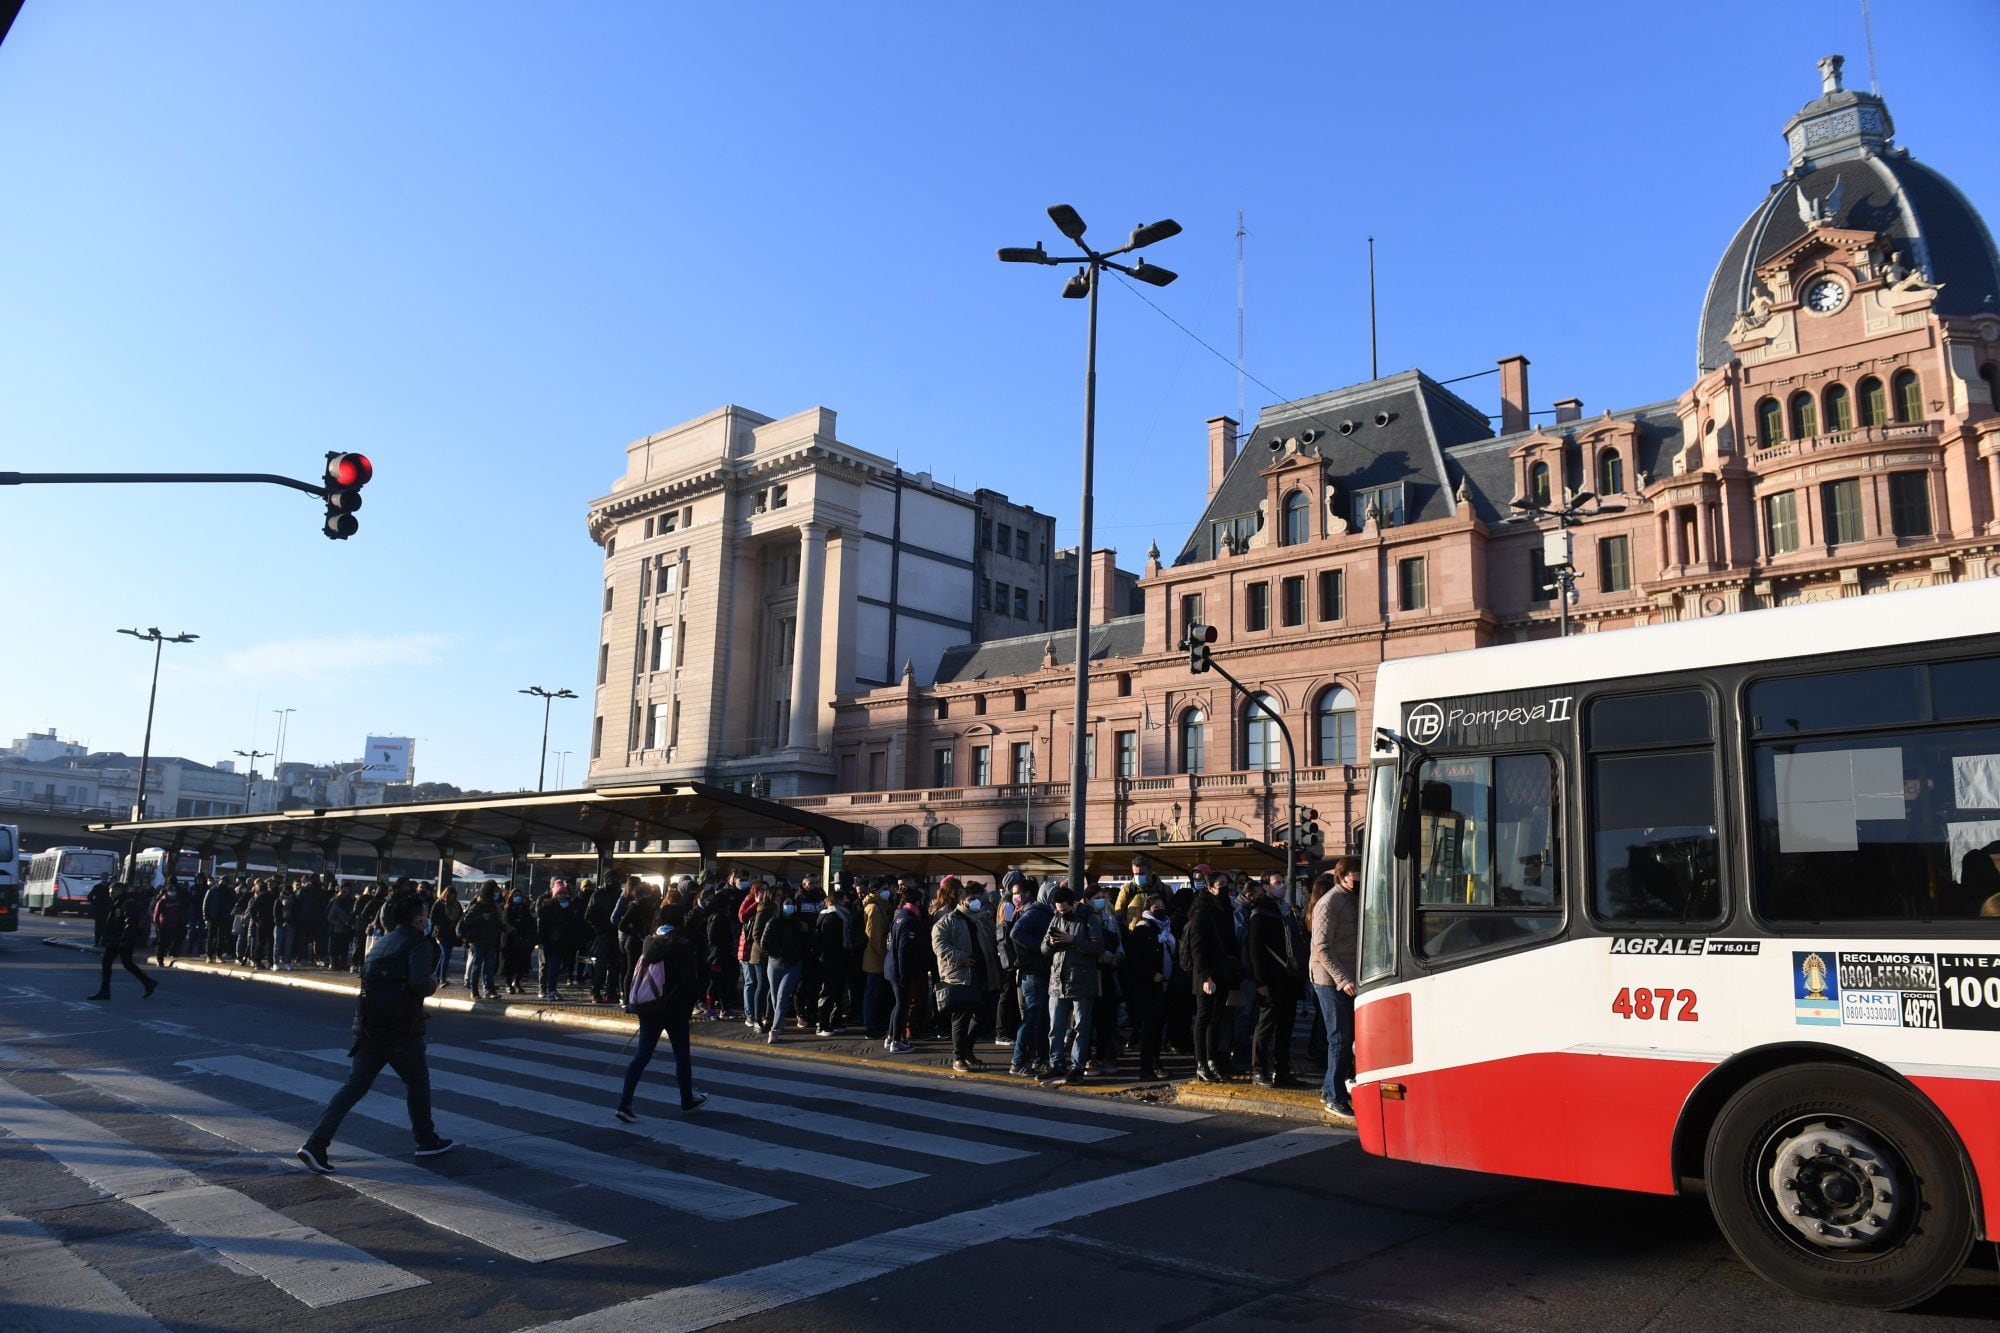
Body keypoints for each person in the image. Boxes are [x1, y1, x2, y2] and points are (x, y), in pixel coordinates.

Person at [296, 893, 454, 1173]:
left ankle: (316, 1143)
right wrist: (432, 983)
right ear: (418, 918)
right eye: (426, 915)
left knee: (353, 1087)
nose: (428, 920)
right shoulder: (418, 942)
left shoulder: (382, 943)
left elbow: (383, 987)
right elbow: (418, 983)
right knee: (417, 1082)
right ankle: (426, 1140)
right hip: (402, 1031)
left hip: (369, 1028)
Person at [615, 907, 708, 1120]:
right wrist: (692, 1002)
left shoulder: (650, 943)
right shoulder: (681, 946)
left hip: (650, 1007)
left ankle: (624, 1103)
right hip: (675, 1009)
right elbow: (689, 982)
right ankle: (687, 1100)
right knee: (681, 1056)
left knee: (642, 1056)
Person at [1310, 860, 1361, 1117]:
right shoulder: (1330, 903)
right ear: (1342, 877)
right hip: (1330, 980)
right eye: (1355, 875)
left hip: (1345, 977)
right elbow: (1322, 948)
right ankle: (1334, 1096)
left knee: (1344, 1038)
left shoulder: (1349, 899)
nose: (1360, 879)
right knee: (1339, 1038)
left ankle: (1329, 1088)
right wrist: (1343, 979)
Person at [1041, 885, 1104, 1084]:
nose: (1062, 913)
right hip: (1057, 981)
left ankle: (1077, 1066)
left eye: (1065, 910)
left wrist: (1073, 940)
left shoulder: (1089, 918)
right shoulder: (1055, 917)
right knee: (1056, 1027)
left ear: (1074, 904)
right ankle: (1056, 1063)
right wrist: (1050, 943)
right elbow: (1043, 948)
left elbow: (1097, 947)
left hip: (1082, 980)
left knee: (1081, 1027)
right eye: (1059, 910)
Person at [1246, 877, 1304, 1088]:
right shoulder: (1260, 911)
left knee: (1286, 1028)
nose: (1282, 886)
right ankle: (1259, 1070)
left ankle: (1282, 1071)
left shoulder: (1287, 910)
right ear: (1265, 886)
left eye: (1283, 882)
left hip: (1289, 978)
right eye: (1277, 882)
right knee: (1266, 1025)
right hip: (1271, 979)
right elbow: (1254, 948)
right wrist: (1260, 980)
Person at [1184, 868, 1237, 1083]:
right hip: (1205, 974)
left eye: (1227, 884)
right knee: (1203, 1017)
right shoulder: (1202, 912)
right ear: (1209, 887)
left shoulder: (1226, 909)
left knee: (1216, 1017)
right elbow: (1197, 948)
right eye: (1220, 884)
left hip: (1222, 971)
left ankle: (1212, 1058)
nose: (1224, 888)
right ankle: (1201, 1062)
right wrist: (1206, 976)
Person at [930, 880, 988, 1072]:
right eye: (972, 899)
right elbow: (940, 947)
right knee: (961, 1018)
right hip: (959, 975)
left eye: (977, 899)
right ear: (962, 900)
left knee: (981, 1014)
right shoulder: (947, 921)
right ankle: (958, 1056)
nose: (976, 902)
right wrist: (961, 958)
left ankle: (968, 1051)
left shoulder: (981, 918)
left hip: (981, 973)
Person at [1122, 895, 1173, 1081]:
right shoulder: (1142, 930)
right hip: (1147, 988)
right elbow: (1134, 959)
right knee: (1149, 1029)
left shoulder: (1166, 929)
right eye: (1155, 907)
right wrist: (1152, 974)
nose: (1160, 909)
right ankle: (1146, 1068)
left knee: (1158, 1028)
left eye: (1162, 905)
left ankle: (1156, 1062)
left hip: (1163, 987)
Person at [1008, 881, 1054, 1076]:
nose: (1015, 897)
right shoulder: (1035, 912)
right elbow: (1015, 933)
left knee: (1040, 1017)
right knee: (1032, 1017)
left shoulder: (1035, 912)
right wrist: (1041, 947)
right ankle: (1018, 1062)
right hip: (1034, 971)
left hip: (1036, 971)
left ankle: (1039, 1058)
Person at [87, 884, 156, 1001]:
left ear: (120, 891)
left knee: (109, 962)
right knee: (125, 964)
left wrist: (125, 939)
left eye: (112, 892)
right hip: (117, 938)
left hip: (121, 939)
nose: (110, 894)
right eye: (110, 892)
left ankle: (105, 991)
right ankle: (148, 982)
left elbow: (130, 923)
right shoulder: (117, 902)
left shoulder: (127, 903)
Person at [759, 888, 807, 1045]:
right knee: (774, 997)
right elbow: (764, 943)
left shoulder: (797, 924)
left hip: (792, 964)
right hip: (775, 963)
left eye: (792, 904)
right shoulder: (773, 922)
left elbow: (802, 944)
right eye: (787, 903)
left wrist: (796, 955)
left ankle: (775, 1030)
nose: (790, 906)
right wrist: (779, 954)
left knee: (782, 997)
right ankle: (779, 1022)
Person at [882, 886, 926, 1054]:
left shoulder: (898, 915)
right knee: (902, 1004)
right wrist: (905, 973)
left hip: (892, 966)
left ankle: (890, 1037)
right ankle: (897, 1041)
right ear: (916, 902)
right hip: (900, 969)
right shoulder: (909, 920)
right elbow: (904, 950)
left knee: (898, 1004)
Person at [813, 886, 852, 1035]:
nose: (847, 901)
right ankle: (822, 1024)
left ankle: (835, 1021)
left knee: (838, 991)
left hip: (837, 959)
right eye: (845, 899)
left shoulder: (838, 916)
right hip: (831, 960)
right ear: (839, 901)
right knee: (829, 992)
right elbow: (830, 942)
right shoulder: (832, 917)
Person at [861, 878, 894, 1039]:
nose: (888, 891)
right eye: (885, 888)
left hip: (877, 956)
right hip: (875, 957)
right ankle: (870, 1026)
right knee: (872, 993)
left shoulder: (881, 906)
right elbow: (874, 937)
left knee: (876, 993)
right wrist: (884, 956)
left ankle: (874, 1024)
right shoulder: (874, 908)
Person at [459, 883, 503, 999]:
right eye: (494, 891)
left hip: (491, 940)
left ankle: (489, 989)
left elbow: (497, 922)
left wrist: (504, 927)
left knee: (489, 966)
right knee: (477, 965)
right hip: (478, 941)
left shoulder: (493, 906)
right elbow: (467, 920)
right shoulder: (477, 906)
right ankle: (474, 990)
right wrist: (482, 918)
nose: (496, 894)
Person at [500, 887, 537, 995]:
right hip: (510, 940)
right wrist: (515, 927)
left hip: (522, 940)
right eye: (515, 896)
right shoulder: (507, 909)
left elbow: (529, 921)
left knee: (522, 963)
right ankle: (508, 983)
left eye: (519, 896)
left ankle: (517, 982)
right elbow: (506, 922)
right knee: (509, 964)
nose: (518, 898)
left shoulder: (525, 909)